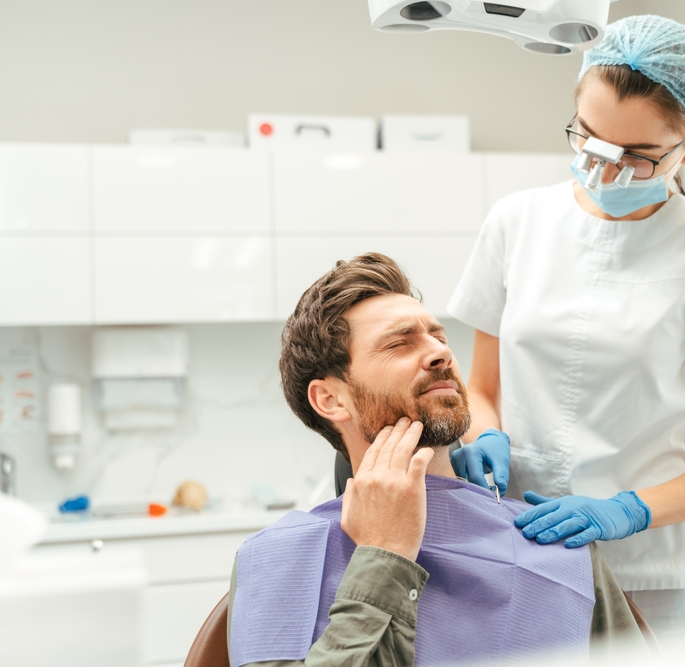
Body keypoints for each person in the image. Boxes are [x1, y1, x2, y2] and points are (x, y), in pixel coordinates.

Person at [447, 14, 685, 647]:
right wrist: (482, 430)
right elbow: (480, 385)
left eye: (638, 157)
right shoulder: (516, 223)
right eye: (590, 142)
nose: (604, 171)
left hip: (650, 571)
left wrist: (629, 511)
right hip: (523, 547)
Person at [227, 253, 648, 667]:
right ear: (330, 398)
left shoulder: (561, 550)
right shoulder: (280, 555)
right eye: (399, 342)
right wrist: (382, 556)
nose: (440, 354)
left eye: (440, 337)